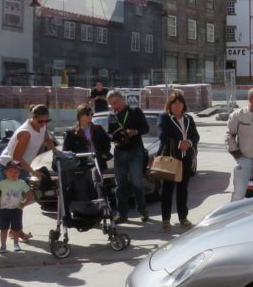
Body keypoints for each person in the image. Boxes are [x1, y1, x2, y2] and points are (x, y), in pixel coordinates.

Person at [105, 91, 150, 223]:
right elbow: (108, 134)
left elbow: (145, 128)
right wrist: (115, 136)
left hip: (135, 151)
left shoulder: (135, 111)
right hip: (119, 152)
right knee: (120, 185)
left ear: (122, 99)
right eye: (111, 104)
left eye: (115, 103)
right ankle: (122, 214)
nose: (114, 106)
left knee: (137, 183)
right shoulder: (112, 115)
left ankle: (142, 210)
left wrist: (134, 131)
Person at [158, 91, 201, 230]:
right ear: (169, 105)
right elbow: (162, 135)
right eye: (174, 103)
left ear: (184, 104)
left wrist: (188, 142)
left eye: (180, 103)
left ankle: (183, 217)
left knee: (183, 190)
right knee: (167, 190)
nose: (177, 106)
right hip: (171, 158)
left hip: (186, 158)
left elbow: (196, 136)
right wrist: (178, 144)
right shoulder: (164, 117)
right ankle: (165, 220)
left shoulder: (188, 118)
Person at [0, 104, 60, 180]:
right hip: (9, 166)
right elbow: (17, 158)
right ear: (32, 118)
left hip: (23, 165)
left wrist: (56, 151)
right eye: (40, 121)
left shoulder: (42, 126)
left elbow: (46, 139)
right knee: (8, 190)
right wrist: (33, 172)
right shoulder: (25, 133)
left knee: (23, 189)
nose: (44, 124)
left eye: (47, 121)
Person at [0, 161, 33, 253]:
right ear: (5, 172)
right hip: (4, 210)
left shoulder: (21, 183)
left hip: (16, 210)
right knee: (3, 229)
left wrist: (24, 203)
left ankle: (16, 244)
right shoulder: (2, 183)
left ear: (19, 173)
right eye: (11, 171)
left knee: (16, 229)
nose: (13, 174)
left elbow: (29, 194)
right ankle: (3, 245)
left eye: (16, 172)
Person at [62, 103, 111, 171]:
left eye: (92, 114)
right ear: (80, 115)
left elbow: (107, 141)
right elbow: (66, 151)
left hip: (98, 164)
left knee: (101, 181)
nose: (90, 116)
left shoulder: (98, 128)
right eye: (88, 114)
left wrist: (105, 153)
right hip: (80, 167)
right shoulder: (71, 133)